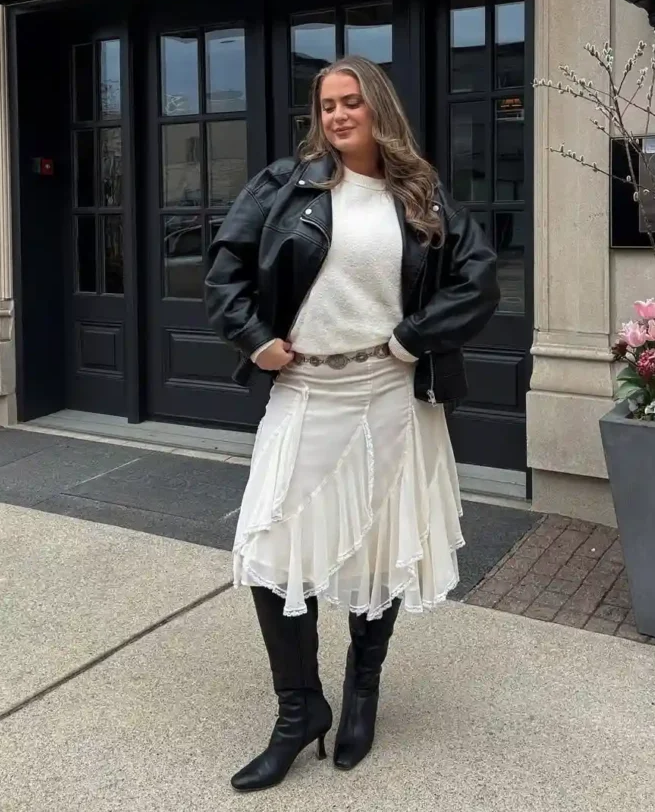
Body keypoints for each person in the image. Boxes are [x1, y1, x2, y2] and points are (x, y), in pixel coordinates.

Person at [205, 55, 500, 793]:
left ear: (377, 109)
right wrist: (252, 337)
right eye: (327, 104)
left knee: (379, 547)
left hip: (390, 392)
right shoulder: (286, 185)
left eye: (351, 103)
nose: (337, 116)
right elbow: (225, 270)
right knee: (269, 549)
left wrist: (411, 338)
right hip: (305, 390)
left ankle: (361, 690)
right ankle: (298, 709)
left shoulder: (418, 192)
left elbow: (479, 279)